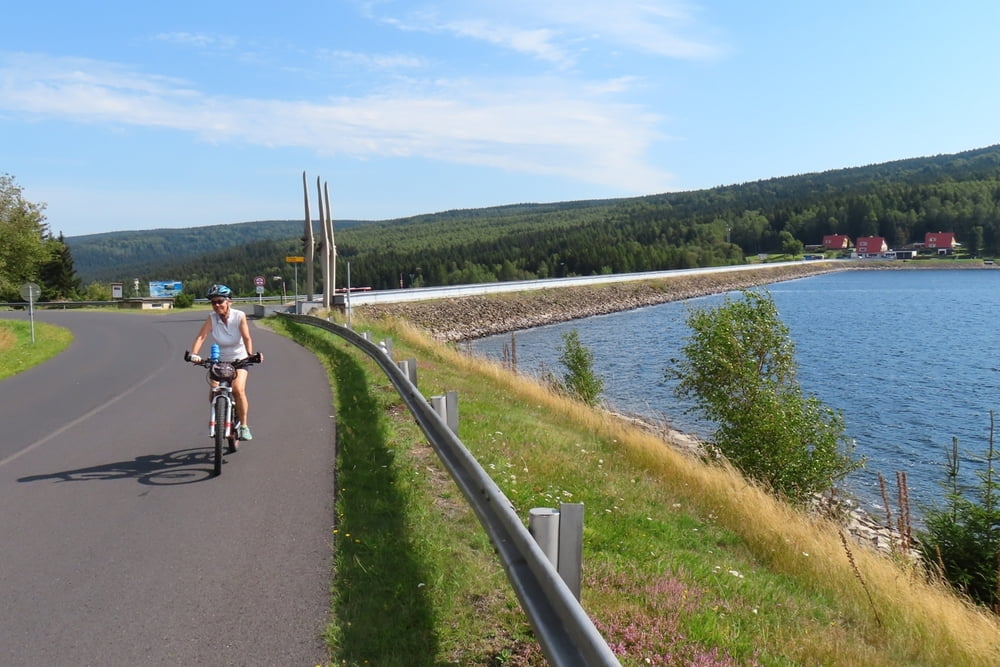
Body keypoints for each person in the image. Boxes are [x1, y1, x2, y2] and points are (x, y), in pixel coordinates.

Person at [187, 284, 259, 440]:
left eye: (220, 301)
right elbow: (201, 337)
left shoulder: (239, 316)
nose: (217, 305)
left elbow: (247, 338)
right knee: (214, 391)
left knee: (238, 389)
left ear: (229, 301)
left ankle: (244, 426)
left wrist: (250, 355)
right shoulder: (212, 318)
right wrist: (194, 354)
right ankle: (218, 416)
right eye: (213, 302)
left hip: (239, 360)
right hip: (220, 361)